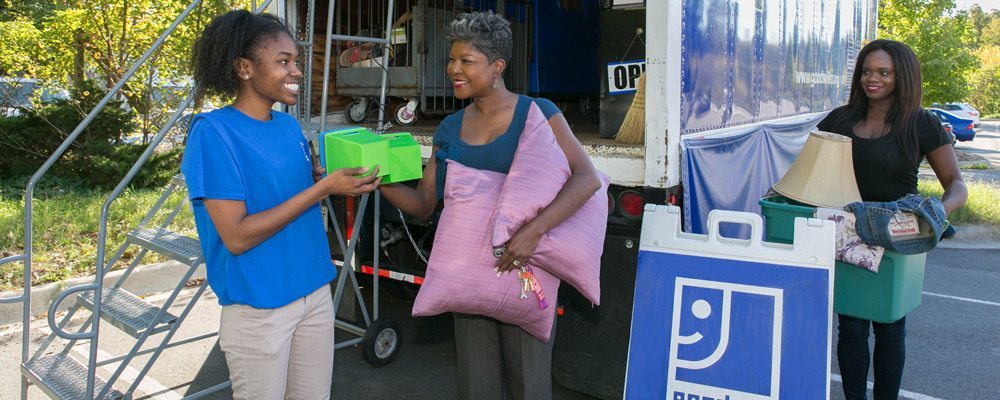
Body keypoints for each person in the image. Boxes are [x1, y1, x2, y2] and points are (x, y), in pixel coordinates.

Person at [378, 10, 600, 400]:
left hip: (522, 271)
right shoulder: (448, 127)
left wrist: (533, 232)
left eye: (467, 61)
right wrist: (379, 182)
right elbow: (425, 204)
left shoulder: (537, 113)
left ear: (497, 66)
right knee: (476, 387)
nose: (453, 69)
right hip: (468, 277)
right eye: (451, 59)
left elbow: (586, 178)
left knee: (528, 386)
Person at [181, 10, 380, 400]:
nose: (297, 72)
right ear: (244, 68)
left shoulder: (289, 127)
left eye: (297, 62)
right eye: (283, 62)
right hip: (260, 307)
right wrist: (322, 190)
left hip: (314, 292)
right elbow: (236, 236)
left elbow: (287, 198)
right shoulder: (213, 133)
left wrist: (334, 183)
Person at [817, 39, 967, 400]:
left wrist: (938, 213)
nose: (874, 79)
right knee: (850, 327)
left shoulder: (922, 123)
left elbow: (957, 185)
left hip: (899, 235)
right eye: (867, 71)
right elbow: (810, 170)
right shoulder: (841, 119)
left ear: (902, 77)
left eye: (884, 72)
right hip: (849, 235)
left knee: (889, 327)